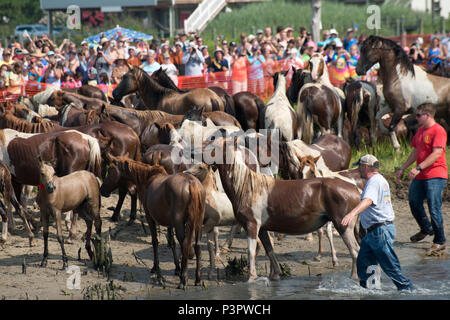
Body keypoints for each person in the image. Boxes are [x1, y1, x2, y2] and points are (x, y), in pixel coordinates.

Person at [342, 154, 414, 291]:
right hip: (374, 232)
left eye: (360, 166)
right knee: (364, 263)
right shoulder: (378, 180)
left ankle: (408, 290)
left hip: (380, 231)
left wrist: (352, 214)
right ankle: (371, 291)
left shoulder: (374, 181)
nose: (358, 170)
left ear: (366, 167)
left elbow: (368, 201)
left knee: (390, 266)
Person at [396, 103, 447, 256]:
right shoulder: (420, 131)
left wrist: (418, 168)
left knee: (434, 208)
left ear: (428, 115)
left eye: (418, 115)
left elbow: (437, 153)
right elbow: (415, 152)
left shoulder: (438, 130)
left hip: (436, 175)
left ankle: (440, 241)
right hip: (421, 175)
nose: (416, 118)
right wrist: (403, 167)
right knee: (413, 202)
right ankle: (426, 228)